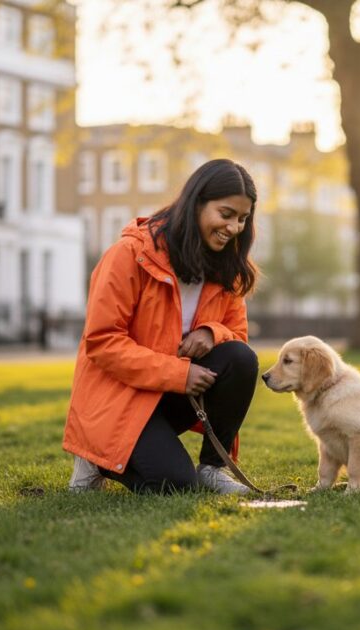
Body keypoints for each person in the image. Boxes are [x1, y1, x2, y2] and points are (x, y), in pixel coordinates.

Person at [63, 159, 260, 495]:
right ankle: (96, 458)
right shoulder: (128, 255)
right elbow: (103, 342)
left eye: (242, 219)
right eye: (225, 214)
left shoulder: (228, 270)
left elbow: (237, 338)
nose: (233, 227)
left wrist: (211, 331)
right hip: (118, 398)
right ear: (196, 204)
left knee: (241, 358)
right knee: (175, 485)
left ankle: (213, 468)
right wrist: (179, 374)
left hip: (168, 397)